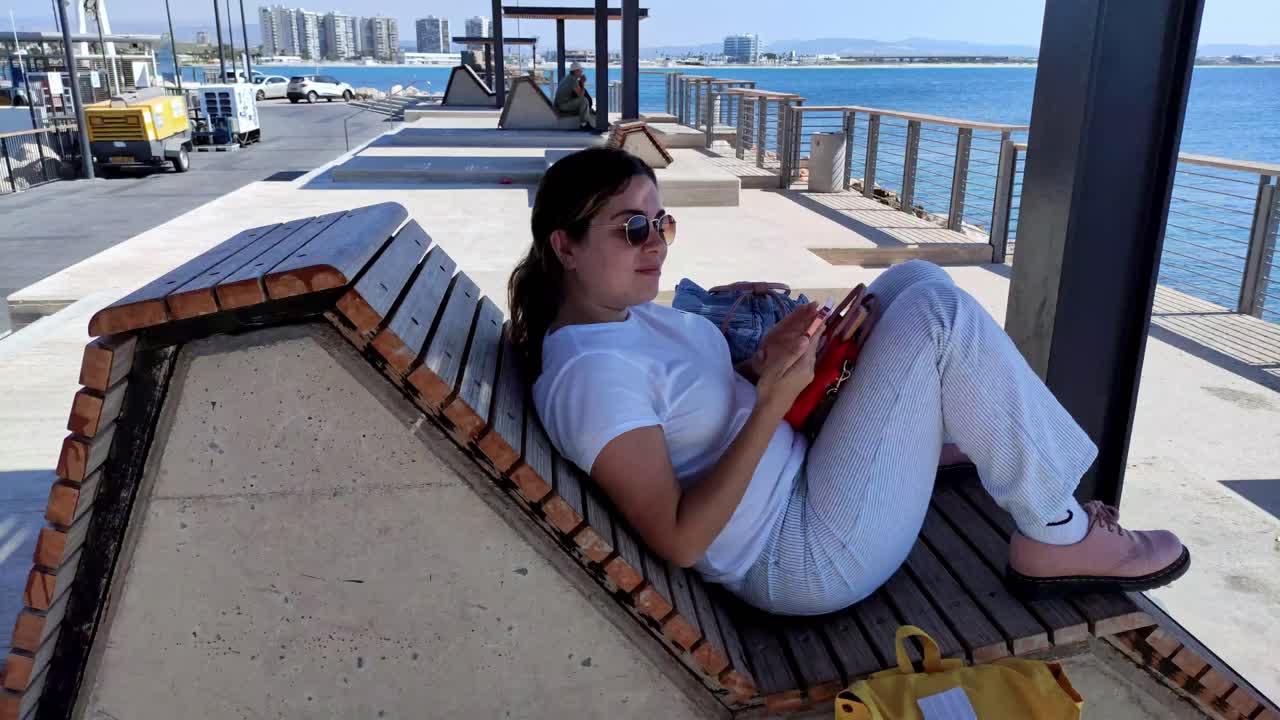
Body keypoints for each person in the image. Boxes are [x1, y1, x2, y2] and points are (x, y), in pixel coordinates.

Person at [509, 147, 1190, 616]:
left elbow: (682, 415)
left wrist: (760, 365)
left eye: (662, 223)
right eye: (632, 228)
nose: (656, 244)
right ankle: (1057, 530)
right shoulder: (590, 379)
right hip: (800, 555)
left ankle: (963, 428)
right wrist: (771, 401)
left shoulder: (620, 320)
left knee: (912, 282)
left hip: (807, 479)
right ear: (564, 246)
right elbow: (681, 541)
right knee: (938, 314)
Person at [554, 62, 593, 130]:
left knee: (583, 102)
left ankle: (585, 119)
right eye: (581, 70)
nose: (582, 72)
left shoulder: (569, 77)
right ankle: (584, 124)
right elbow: (581, 95)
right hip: (563, 105)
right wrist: (583, 83)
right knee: (584, 100)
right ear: (576, 71)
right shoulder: (573, 80)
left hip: (561, 103)